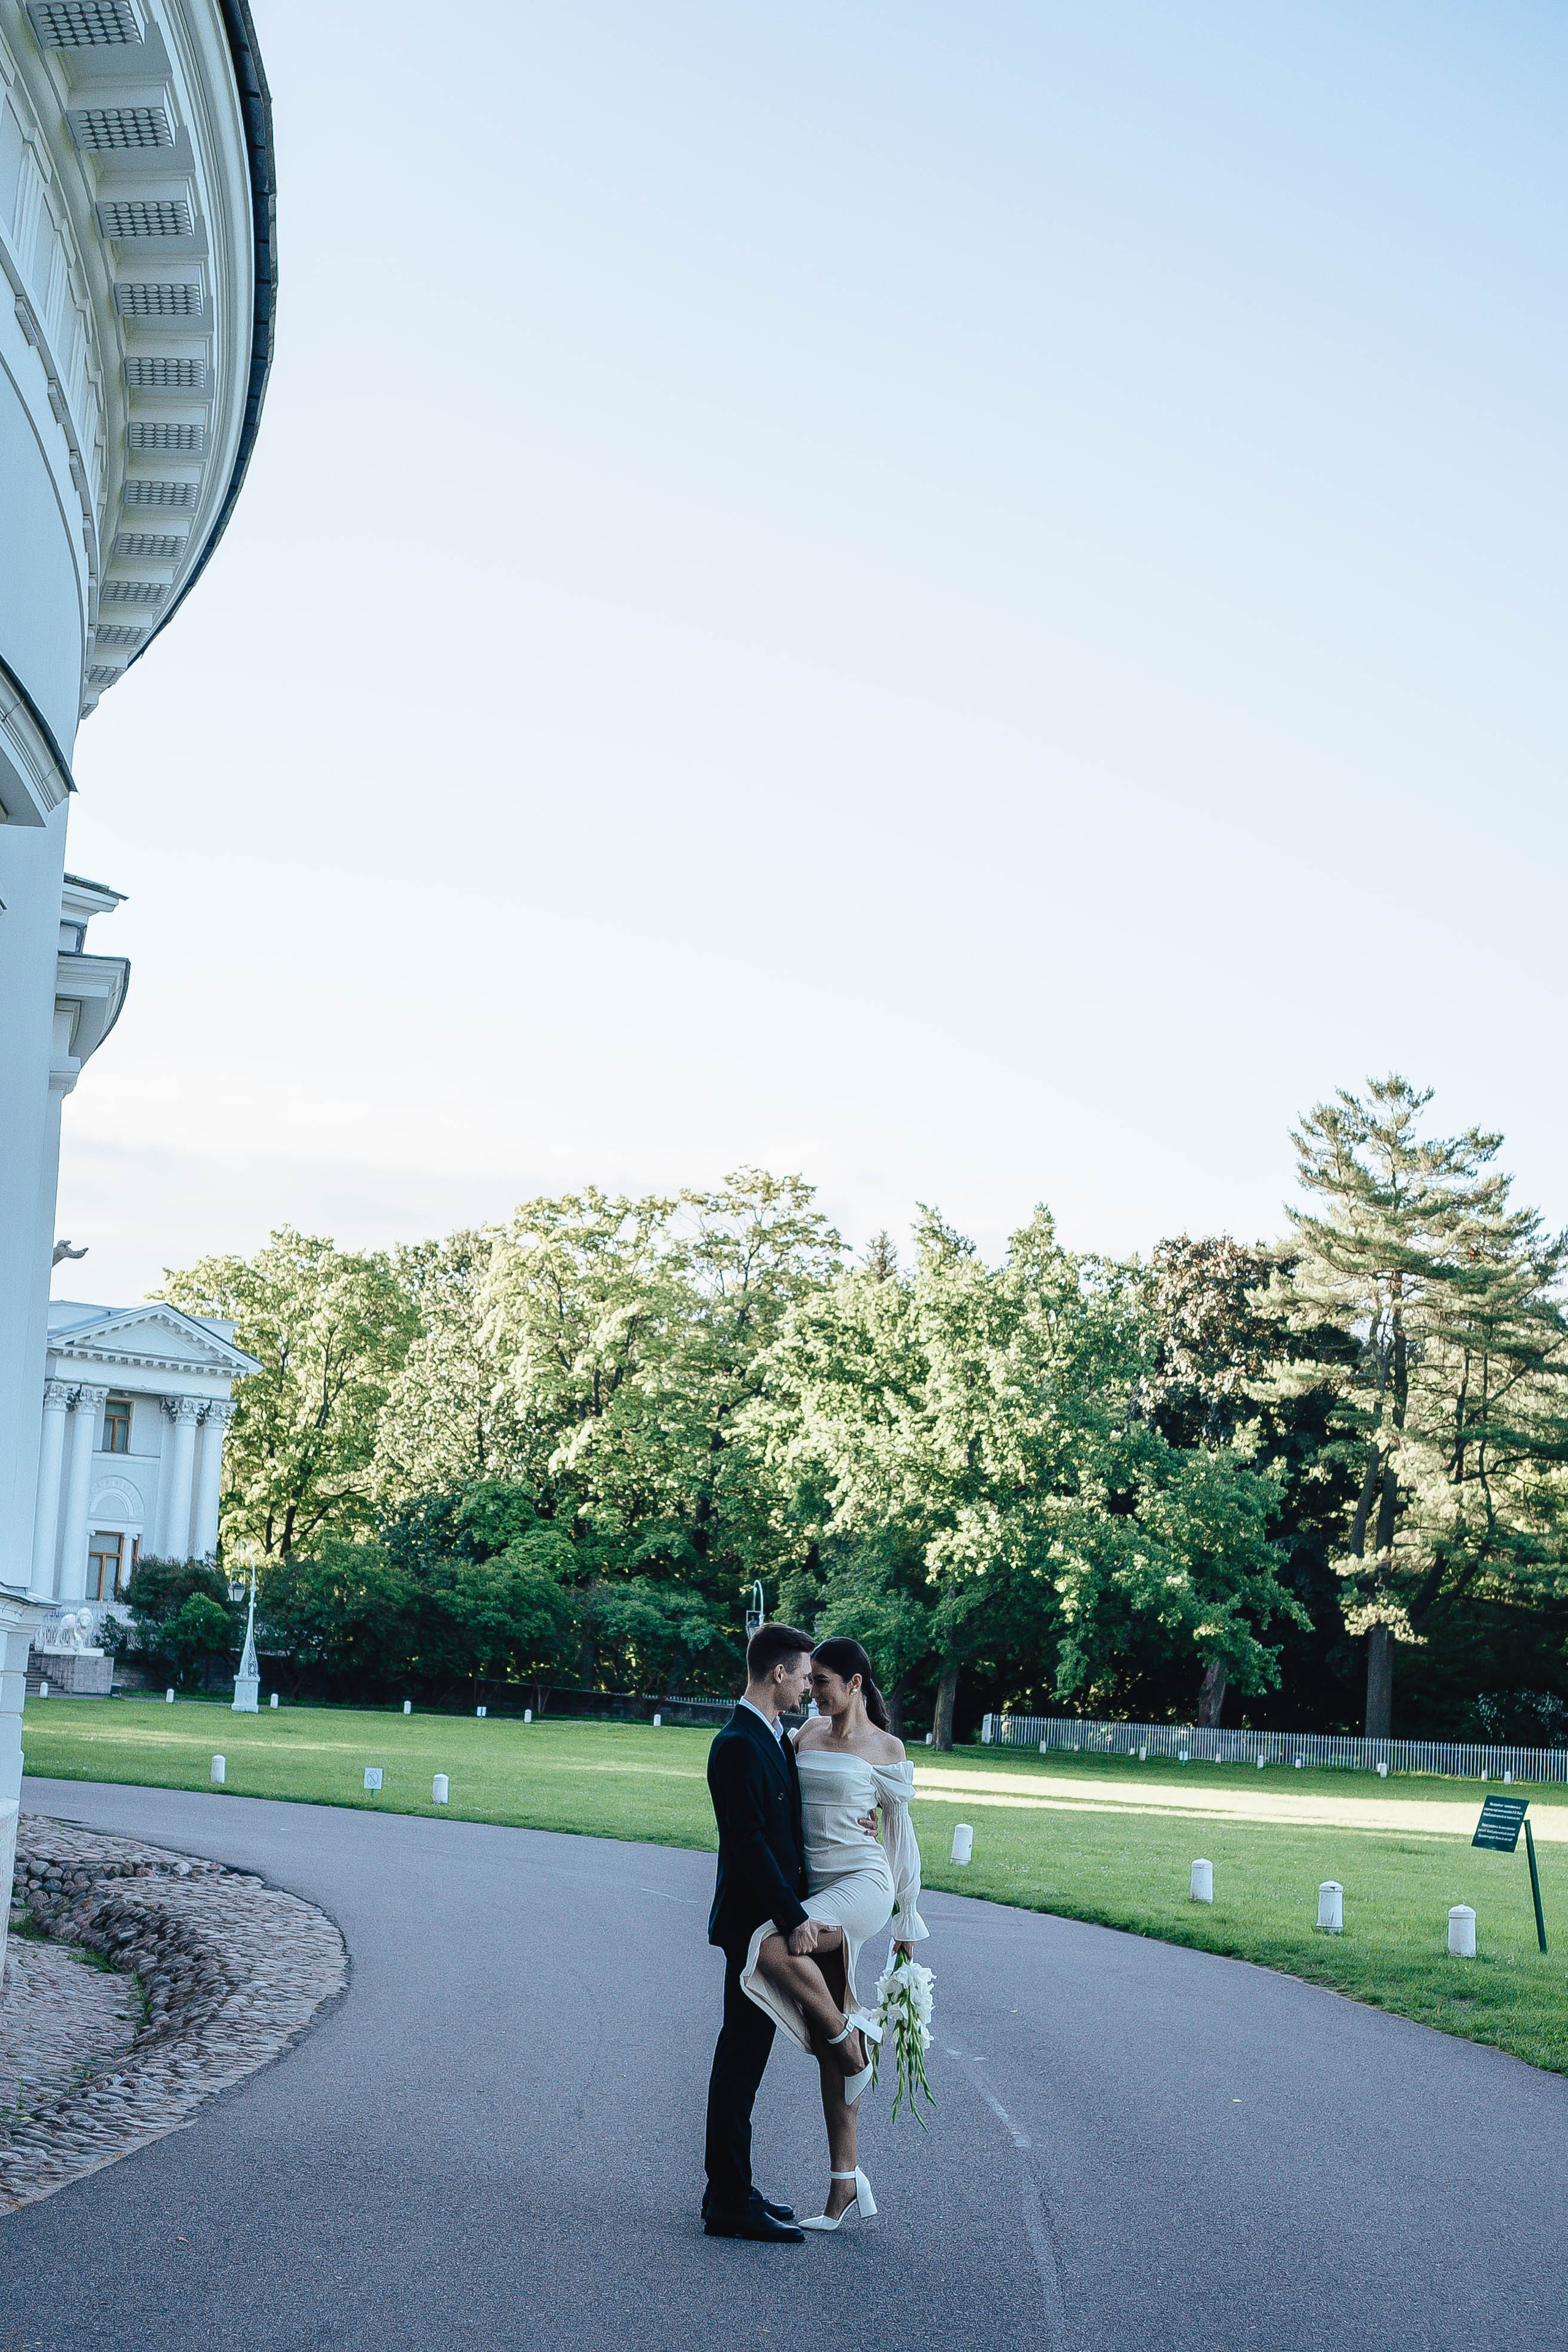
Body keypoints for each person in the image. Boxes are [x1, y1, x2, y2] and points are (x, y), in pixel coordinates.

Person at [741, 1634, 927, 2231]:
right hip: (812, 1888)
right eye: (809, 1679)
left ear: (853, 1683)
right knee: (828, 2046)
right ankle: (844, 2186)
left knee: (772, 1947)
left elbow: (899, 1839)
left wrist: (906, 1922)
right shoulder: (802, 1738)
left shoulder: (887, 1748)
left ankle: (851, 2038)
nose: (810, 1691)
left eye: (821, 1681)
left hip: (862, 1885)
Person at [703, 1623, 881, 2242]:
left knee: (746, 2060)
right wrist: (794, 1917)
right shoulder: (735, 1745)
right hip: (754, 1921)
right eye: (804, 1674)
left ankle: (734, 2187)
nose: (809, 1686)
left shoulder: (776, 1736)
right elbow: (749, 1844)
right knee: (739, 2060)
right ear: (778, 1673)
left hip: (772, 1914)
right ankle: (726, 2200)